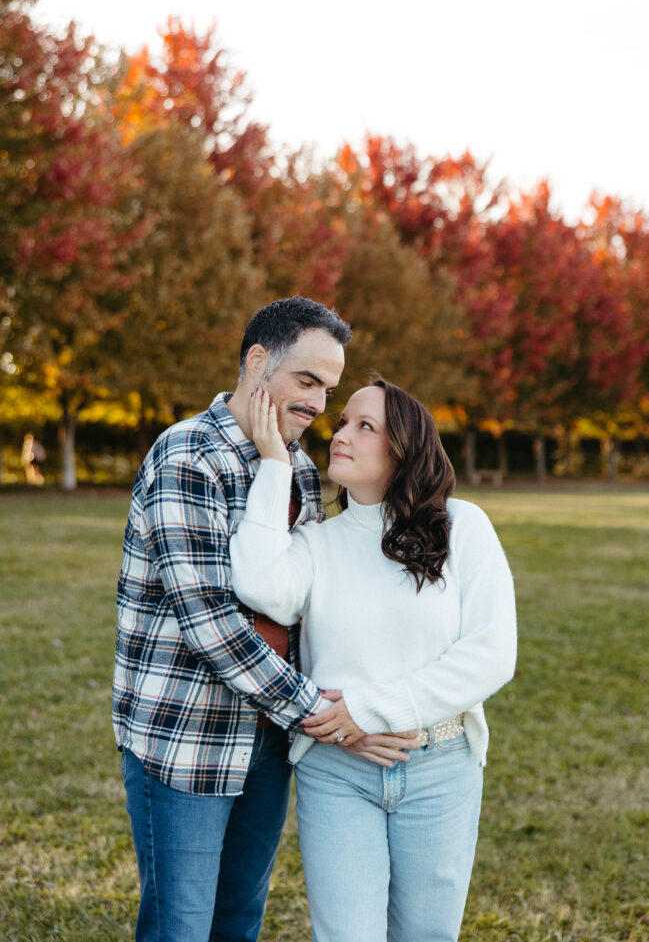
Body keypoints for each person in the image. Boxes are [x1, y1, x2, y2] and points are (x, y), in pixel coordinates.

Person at [114, 297, 409, 942]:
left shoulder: (299, 470)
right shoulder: (186, 457)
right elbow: (210, 624)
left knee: (239, 919)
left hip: (269, 740)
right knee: (181, 926)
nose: (316, 405)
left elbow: (301, 599)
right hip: (186, 740)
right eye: (306, 382)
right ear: (257, 361)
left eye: (327, 389)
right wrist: (328, 717)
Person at [230, 379, 517, 942]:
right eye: (342, 422)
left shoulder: (462, 527)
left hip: (440, 765)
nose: (341, 434)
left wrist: (370, 708)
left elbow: (492, 654)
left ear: (403, 449)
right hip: (337, 772)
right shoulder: (316, 542)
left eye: (366, 426)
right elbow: (261, 585)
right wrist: (273, 463)